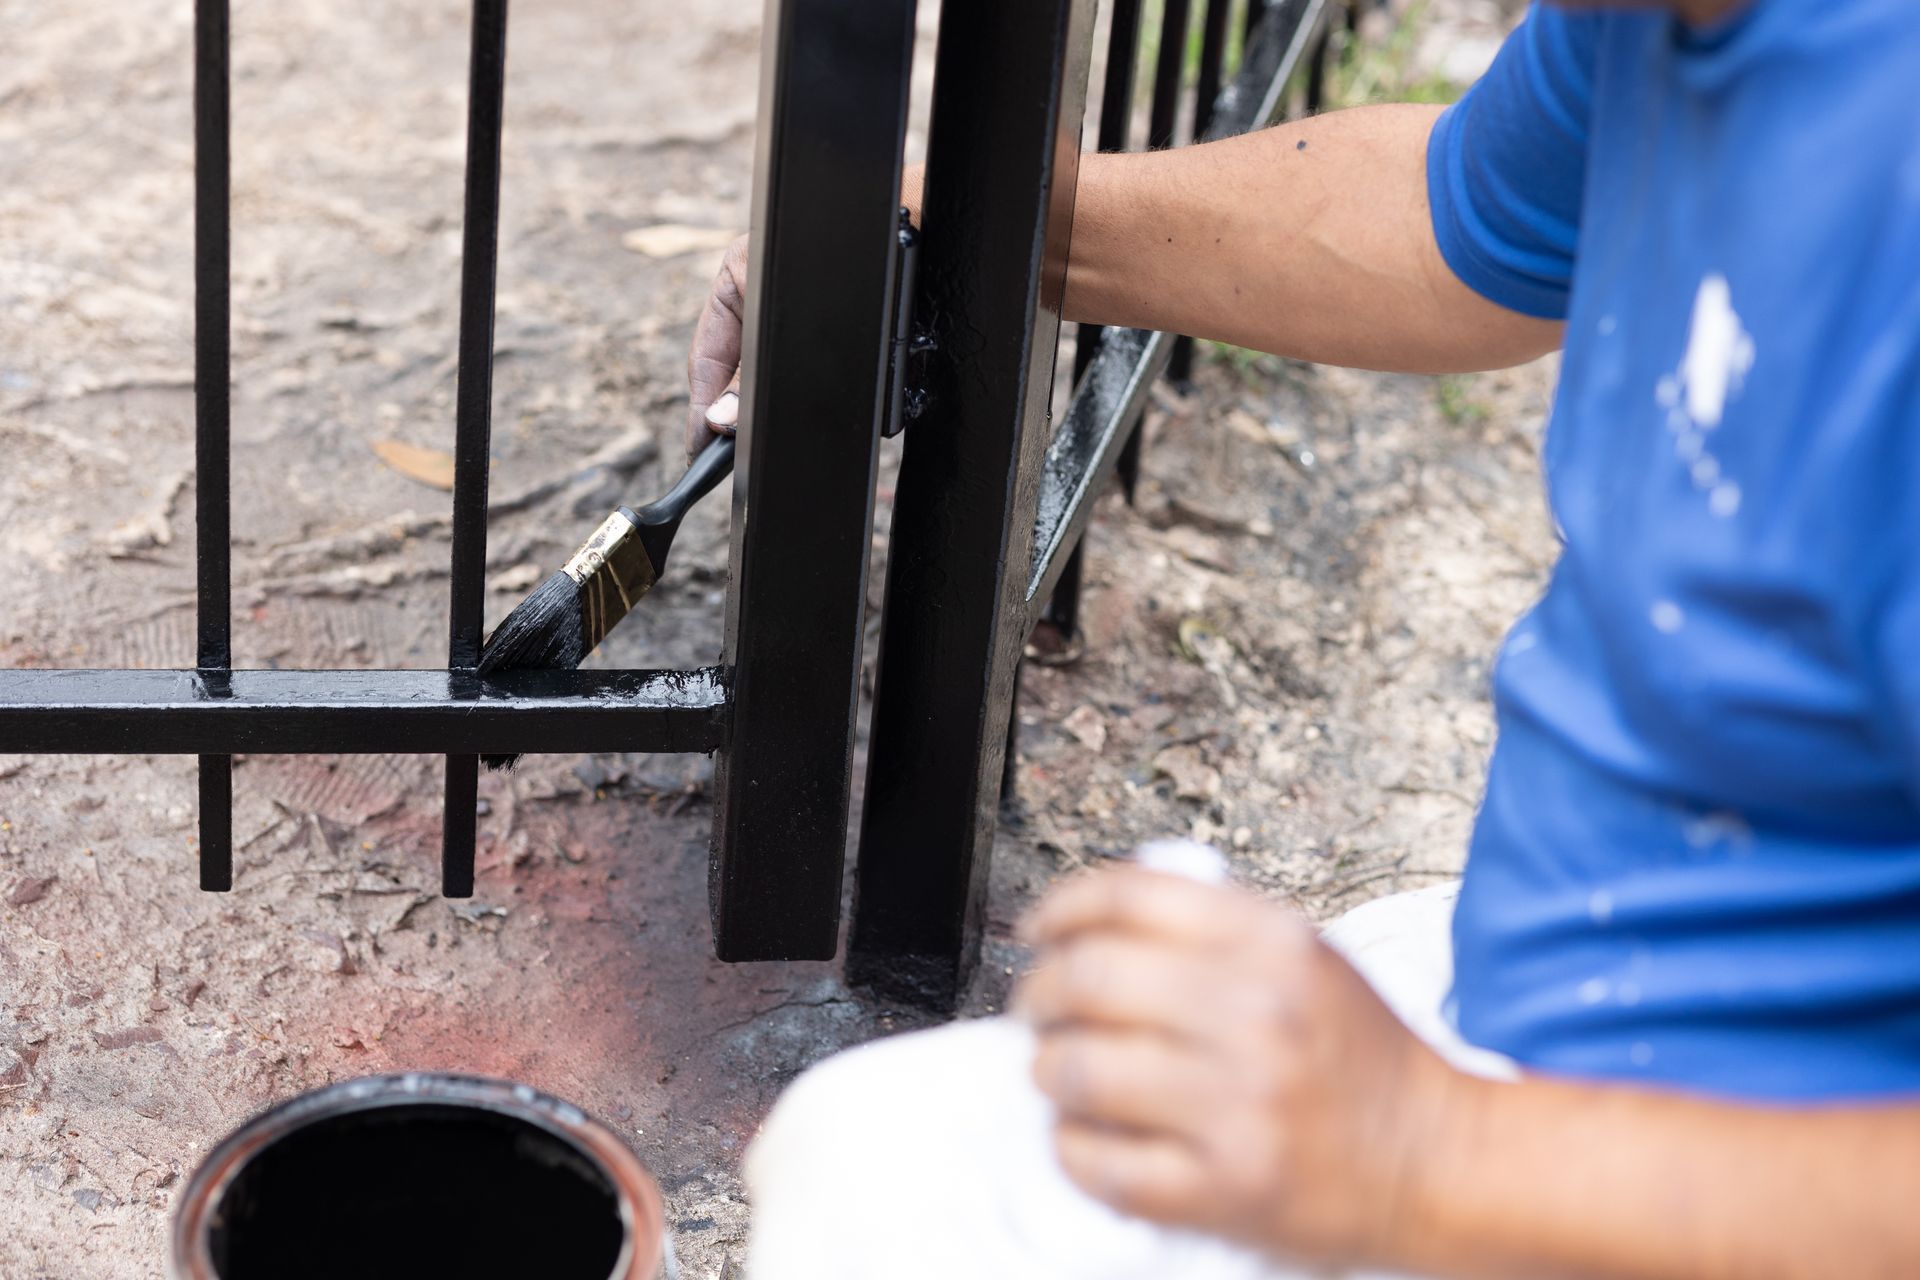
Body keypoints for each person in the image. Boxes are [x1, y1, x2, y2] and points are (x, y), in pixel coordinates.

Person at [688, 0, 1920, 1274]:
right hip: (1580, 997)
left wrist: (1430, 1150)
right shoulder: (1672, 27)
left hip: (1725, 1170)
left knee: (877, 1183)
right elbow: (1455, 219)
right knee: (886, 1152)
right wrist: (928, 221)